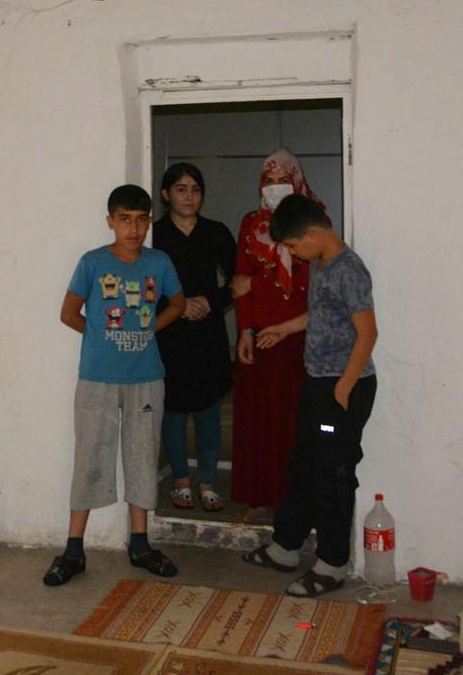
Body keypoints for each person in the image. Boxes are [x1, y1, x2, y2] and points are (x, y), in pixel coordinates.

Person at [44, 184, 187, 587]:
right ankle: (73, 549)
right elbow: (68, 313)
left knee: (142, 457)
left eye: (141, 220)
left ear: (149, 222)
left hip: (146, 377)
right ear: (110, 221)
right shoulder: (92, 263)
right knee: (90, 457)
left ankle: (140, 544)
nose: (134, 229)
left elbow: (177, 303)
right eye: (125, 220)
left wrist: (150, 327)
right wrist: (102, 337)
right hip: (98, 378)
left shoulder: (159, 263)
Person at [241, 193, 378, 597]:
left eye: (293, 246)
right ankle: (285, 547)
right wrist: (282, 329)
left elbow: (368, 333)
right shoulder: (321, 264)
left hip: (343, 387)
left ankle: (332, 564)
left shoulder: (349, 269)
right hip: (318, 382)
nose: (293, 253)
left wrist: (343, 388)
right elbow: (320, 314)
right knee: (302, 464)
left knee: (331, 474)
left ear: (314, 234)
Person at [229, 148, 320, 520]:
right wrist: (244, 331)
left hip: (297, 336)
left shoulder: (313, 222)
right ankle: (259, 498)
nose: (275, 187)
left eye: (284, 180)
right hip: (258, 337)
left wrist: (256, 284)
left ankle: (291, 502)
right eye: (269, 181)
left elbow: (303, 288)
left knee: (292, 421)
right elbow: (238, 282)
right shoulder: (251, 224)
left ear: (297, 181)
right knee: (256, 420)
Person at [152, 163, 237, 513]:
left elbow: (237, 281)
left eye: (196, 189)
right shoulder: (154, 235)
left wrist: (209, 301)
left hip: (208, 333)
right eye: (181, 189)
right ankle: (181, 481)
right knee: (172, 412)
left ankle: (208, 483)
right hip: (168, 333)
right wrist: (178, 306)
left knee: (208, 410)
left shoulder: (216, 232)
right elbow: (142, 285)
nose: (189, 196)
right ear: (166, 194)